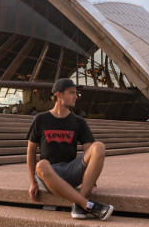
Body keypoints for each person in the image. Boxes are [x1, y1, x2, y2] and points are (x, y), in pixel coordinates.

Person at [26, 78, 114, 221]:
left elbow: (90, 152)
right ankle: (86, 205)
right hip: (48, 175)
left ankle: (80, 204)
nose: (76, 97)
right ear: (59, 95)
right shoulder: (40, 119)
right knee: (42, 164)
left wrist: (93, 180)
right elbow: (30, 152)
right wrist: (32, 182)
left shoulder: (79, 122)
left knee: (98, 146)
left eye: (76, 93)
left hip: (70, 170)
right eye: (72, 93)